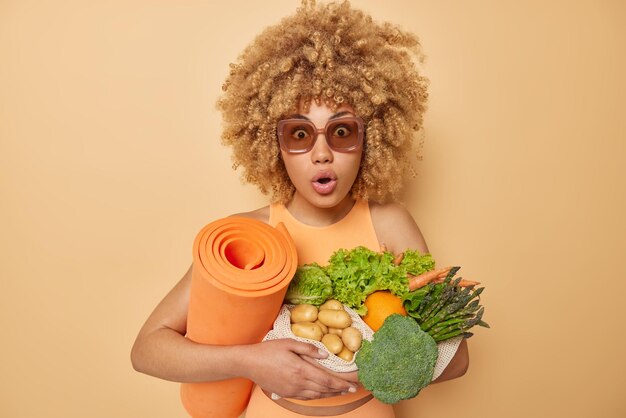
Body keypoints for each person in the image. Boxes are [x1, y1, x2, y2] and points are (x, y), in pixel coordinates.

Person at [131, 1, 469, 417]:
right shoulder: (246, 237)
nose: (322, 154)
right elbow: (147, 349)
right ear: (273, 144)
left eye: (342, 132)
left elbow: (457, 358)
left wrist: (367, 367)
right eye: (300, 133)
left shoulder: (389, 224)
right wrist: (251, 360)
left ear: (372, 138)